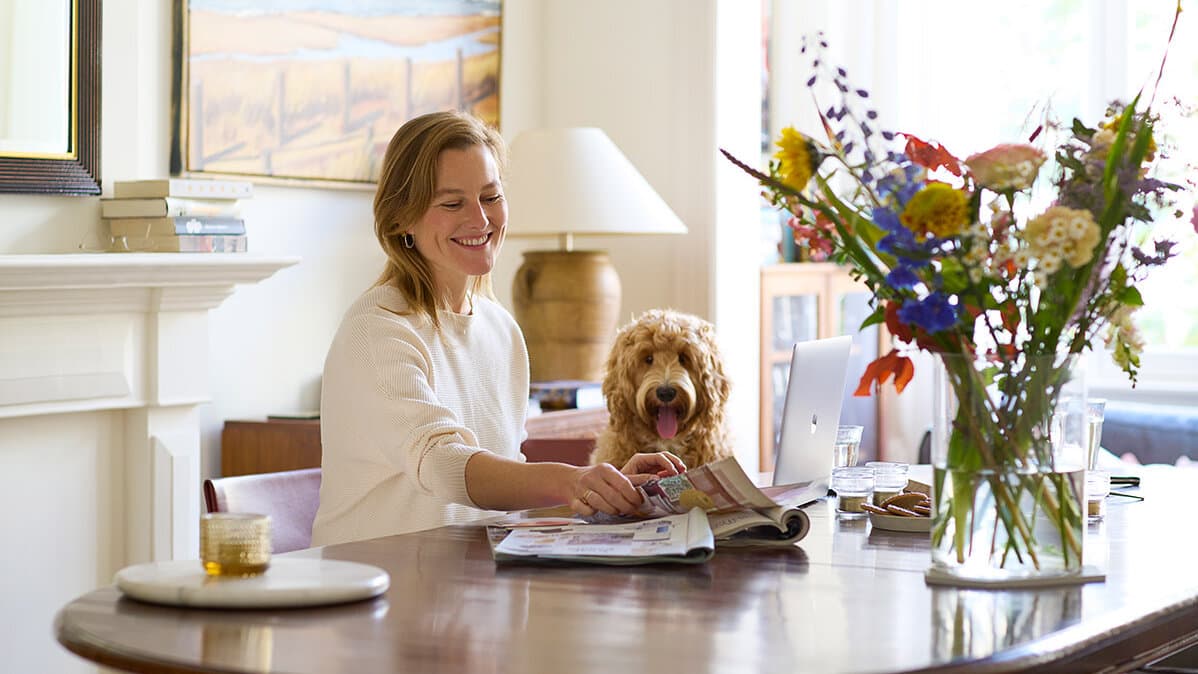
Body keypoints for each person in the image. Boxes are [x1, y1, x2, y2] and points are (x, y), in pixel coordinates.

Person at [311, 111, 686, 546]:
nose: (480, 219)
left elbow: (502, 492)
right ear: (401, 220)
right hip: (378, 593)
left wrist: (607, 487)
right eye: (452, 203)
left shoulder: (500, 329)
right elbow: (445, 465)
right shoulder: (378, 332)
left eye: (491, 196)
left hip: (471, 585)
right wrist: (571, 480)